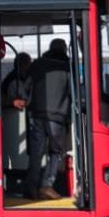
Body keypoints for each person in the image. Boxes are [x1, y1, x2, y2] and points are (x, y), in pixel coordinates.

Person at [26, 39, 72, 200]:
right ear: (64, 49)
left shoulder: (37, 64)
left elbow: (26, 86)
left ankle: (31, 187)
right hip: (57, 115)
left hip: (36, 114)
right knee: (56, 151)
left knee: (36, 152)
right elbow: (72, 91)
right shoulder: (67, 66)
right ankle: (47, 185)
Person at [0, 52, 33, 195]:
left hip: (21, 123)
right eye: (26, 64)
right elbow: (2, 98)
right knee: (15, 156)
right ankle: (14, 186)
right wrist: (13, 102)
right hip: (13, 123)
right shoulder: (12, 80)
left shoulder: (22, 79)